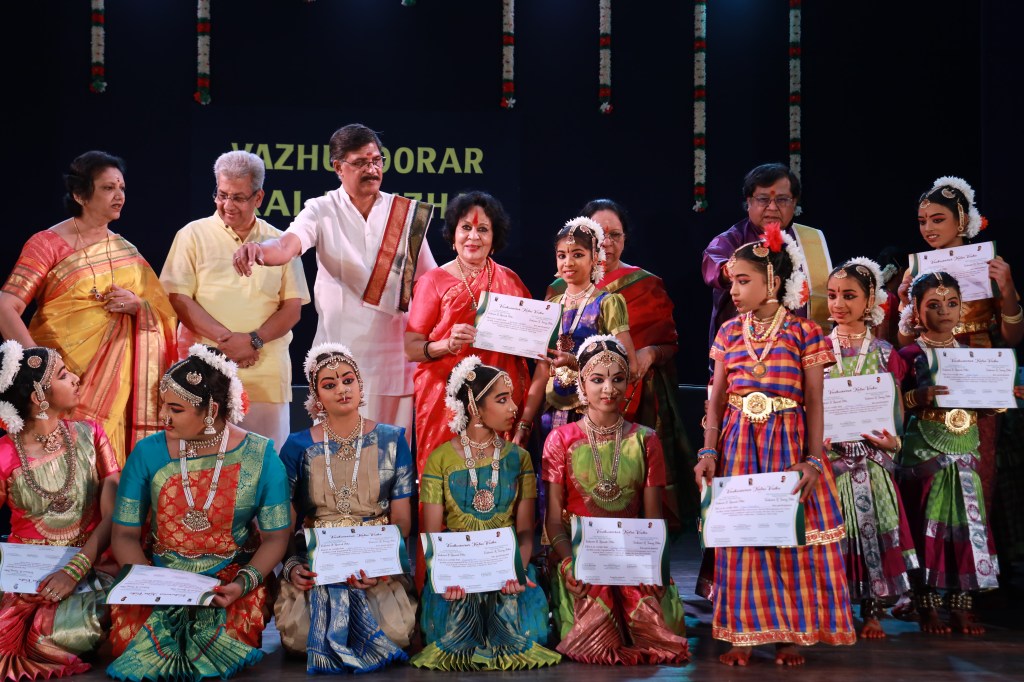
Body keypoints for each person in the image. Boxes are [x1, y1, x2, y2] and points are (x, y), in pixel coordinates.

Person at [695, 223, 855, 666]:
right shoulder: (729, 333)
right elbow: (716, 399)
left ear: (773, 282)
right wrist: (708, 451)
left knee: (788, 540)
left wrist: (813, 460)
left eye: (743, 281)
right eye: (732, 282)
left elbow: (815, 402)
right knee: (742, 539)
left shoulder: (806, 333)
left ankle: (789, 636)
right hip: (738, 448)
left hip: (787, 448)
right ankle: (743, 636)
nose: (734, 290)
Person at [232, 124, 436, 434]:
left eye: (376, 160)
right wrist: (259, 250)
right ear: (338, 167)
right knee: (336, 458)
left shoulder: (405, 215)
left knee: (390, 457)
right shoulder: (321, 210)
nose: (372, 169)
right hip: (340, 363)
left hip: (394, 363)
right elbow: (287, 245)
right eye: (360, 163)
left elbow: (431, 283)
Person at [106, 345, 291, 681]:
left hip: (227, 581)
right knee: (134, 641)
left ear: (212, 410)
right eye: (163, 405)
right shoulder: (147, 452)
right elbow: (124, 534)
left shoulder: (260, 455)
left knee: (225, 642)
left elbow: (276, 538)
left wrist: (241, 585)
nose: (164, 417)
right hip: (159, 576)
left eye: (175, 409)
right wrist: (152, 584)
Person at [0, 151, 176, 465]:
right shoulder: (47, 244)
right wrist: (41, 366)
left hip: (119, 389)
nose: (119, 195)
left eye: (121, 187)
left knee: (111, 469)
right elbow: (5, 307)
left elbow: (164, 314)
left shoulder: (128, 251)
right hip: (62, 382)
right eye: (108, 188)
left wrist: (139, 307)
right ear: (80, 195)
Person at [542, 335, 689, 665]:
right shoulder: (560, 439)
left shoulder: (646, 440)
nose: (609, 389)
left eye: (618, 379)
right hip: (583, 559)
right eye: (597, 380)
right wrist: (568, 563)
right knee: (591, 637)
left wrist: (655, 568)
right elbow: (552, 519)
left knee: (661, 627)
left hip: (632, 557)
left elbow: (653, 520)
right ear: (582, 383)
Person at [546, 198, 692, 524]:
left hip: (628, 396)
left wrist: (650, 353)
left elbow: (669, 343)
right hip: (566, 401)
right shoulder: (559, 288)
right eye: (600, 235)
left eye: (615, 235)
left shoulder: (645, 284)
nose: (607, 244)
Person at [411, 356, 560, 671]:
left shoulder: (519, 458)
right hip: (458, 575)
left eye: (512, 398)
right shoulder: (440, 459)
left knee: (530, 631)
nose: (514, 408)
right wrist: (447, 576)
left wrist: (517, 570)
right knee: (444, 633)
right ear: (474, 406)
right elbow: (432, 534)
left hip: (507, 570)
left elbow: (524, 531)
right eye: (502, 400)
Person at [275, 343, 416, 673]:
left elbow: (402, 520)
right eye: (329, 384)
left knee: (394, 632)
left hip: (374, 560)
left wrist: (382, 565)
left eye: (348, 380)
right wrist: (293, 565)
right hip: (320, 562)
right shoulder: (297, 446)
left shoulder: (392, 440)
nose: (342, 389)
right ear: (316, 396)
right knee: (300, 637)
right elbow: (285, 524)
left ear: (360, 385)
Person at [160, 150, 309, 448]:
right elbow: (178, 298)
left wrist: (253, 340)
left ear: (259, 197)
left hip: (266, 379)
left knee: (264, 466)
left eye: (238, 198)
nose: (228, 205)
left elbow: (292, 308)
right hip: (202, 377)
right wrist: (228, 343)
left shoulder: (279, 242)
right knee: (202, 467)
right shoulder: (192, 235)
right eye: (222, 195)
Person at [898, 176, 1023, 524]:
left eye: (938, 219)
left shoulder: (989, 264)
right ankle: (936, 549)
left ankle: (977, 546)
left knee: (980, 464)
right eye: (922, 221)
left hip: (979, 376)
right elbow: (905, 345)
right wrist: (904, 301)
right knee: (931, 464)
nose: (928, 228)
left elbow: (1013, 337)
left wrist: (1007, 289)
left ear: (963, 220)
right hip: (932, 375)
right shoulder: (916, 271)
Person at [0, 341, 120, 679]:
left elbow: (115, 515)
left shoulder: (91, 435)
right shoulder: (5, 452)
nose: (76, 378)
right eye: (64, 375)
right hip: (23, 572)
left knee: (66, 633)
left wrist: (75, 569)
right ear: (39, 396)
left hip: (89, 565)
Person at [405, 191, 540, 474]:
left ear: (494, 237)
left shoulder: (510, 280)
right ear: (453, 235)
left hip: (499, 400)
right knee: (447, 478)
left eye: (483, 229)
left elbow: (533, 341)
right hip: (447, 401)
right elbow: (411, 347)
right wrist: (446, 344)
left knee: (496, 482)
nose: (473, 237)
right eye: (466, 227)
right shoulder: (433, 281)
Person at [896, 272, 998, 636]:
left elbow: (980, 407)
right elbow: (889, 406)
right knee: (924, 523)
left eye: (952, 303)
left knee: (966, 526)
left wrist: (1001, 399)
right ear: (916, 311)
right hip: (924, 451)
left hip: (965, 448)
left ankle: (960, 607)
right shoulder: (908, 356)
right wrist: (915, 397)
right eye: (934, 305)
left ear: (962, 307)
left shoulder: (973, 357)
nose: (944, 311)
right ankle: (926, 608)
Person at [823, 258, 918, 638]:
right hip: (830, 458)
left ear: (870, 300)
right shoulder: (816, 349)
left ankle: (873, 611)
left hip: (872, 458)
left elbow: (895, 412)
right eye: (832, 295)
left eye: (849, 296)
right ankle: (833, 607)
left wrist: (894, 441)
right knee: (834, 533)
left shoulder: (883, 352)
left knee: (874, 530)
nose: (838, 304)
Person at [518, 217, 636, 440]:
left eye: (578, 255)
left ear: (595, 258)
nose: (568, 262)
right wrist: (524, 424)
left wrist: (576, 362)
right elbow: (542, 370)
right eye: (562, 255)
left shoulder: (607, 303)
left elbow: (630, 364)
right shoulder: (550, 307)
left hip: (594, 414)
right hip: (550, 413)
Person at [701, 163, 832, 353]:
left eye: (782, 199)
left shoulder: (810, 241)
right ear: (749, 202)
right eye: (763, 199)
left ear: (794, 203)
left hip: (800, 352)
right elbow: (712, 264)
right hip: (744, 352)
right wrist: (736, 271)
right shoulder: (732, 240)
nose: (772, 207)